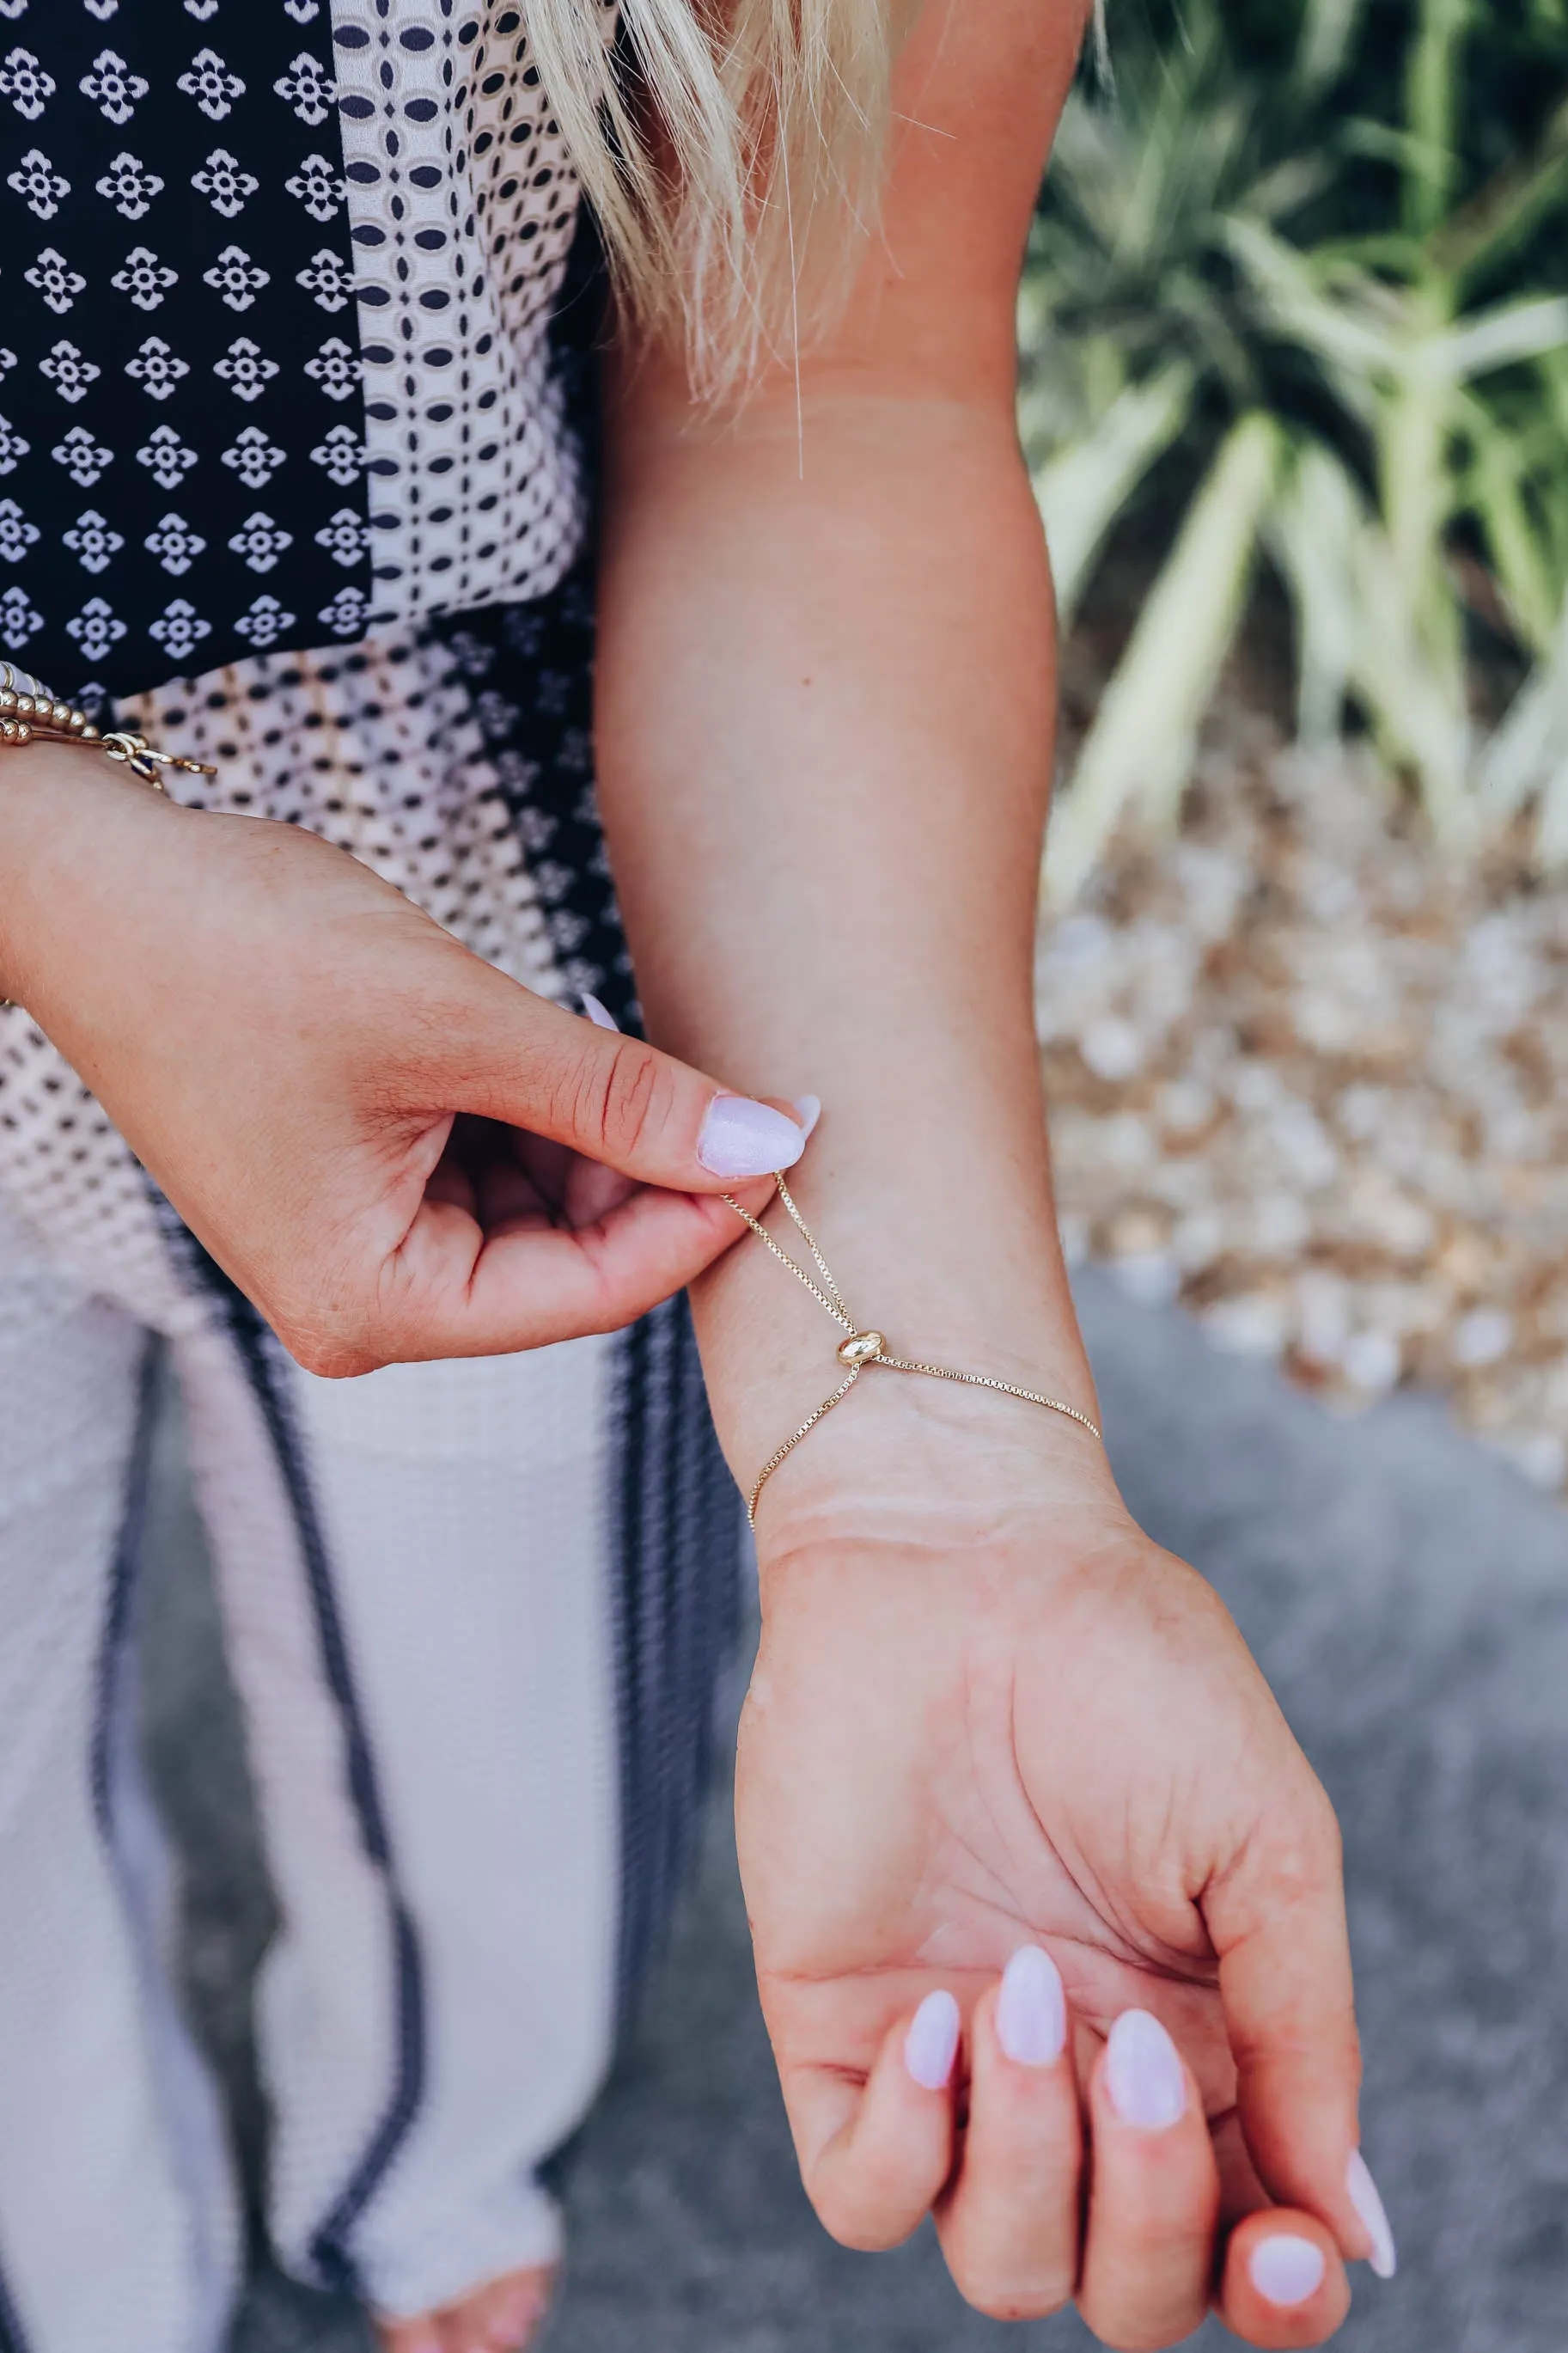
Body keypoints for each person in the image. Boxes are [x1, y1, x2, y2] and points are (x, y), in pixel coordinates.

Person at [0, 1, 1394, 2349]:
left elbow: (823, 407)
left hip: (481, 923)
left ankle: (428, 2162)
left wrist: (945, 1477)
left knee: (509, 1747)